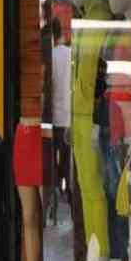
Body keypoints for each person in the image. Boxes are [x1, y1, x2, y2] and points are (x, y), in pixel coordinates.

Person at [50, 17, 71, 197]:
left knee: (53, 158)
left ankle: (57, 187)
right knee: (67, 158)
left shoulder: (50, 56)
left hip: (54, 117)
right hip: (69, 116)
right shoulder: (69, 53)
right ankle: (66, 189)